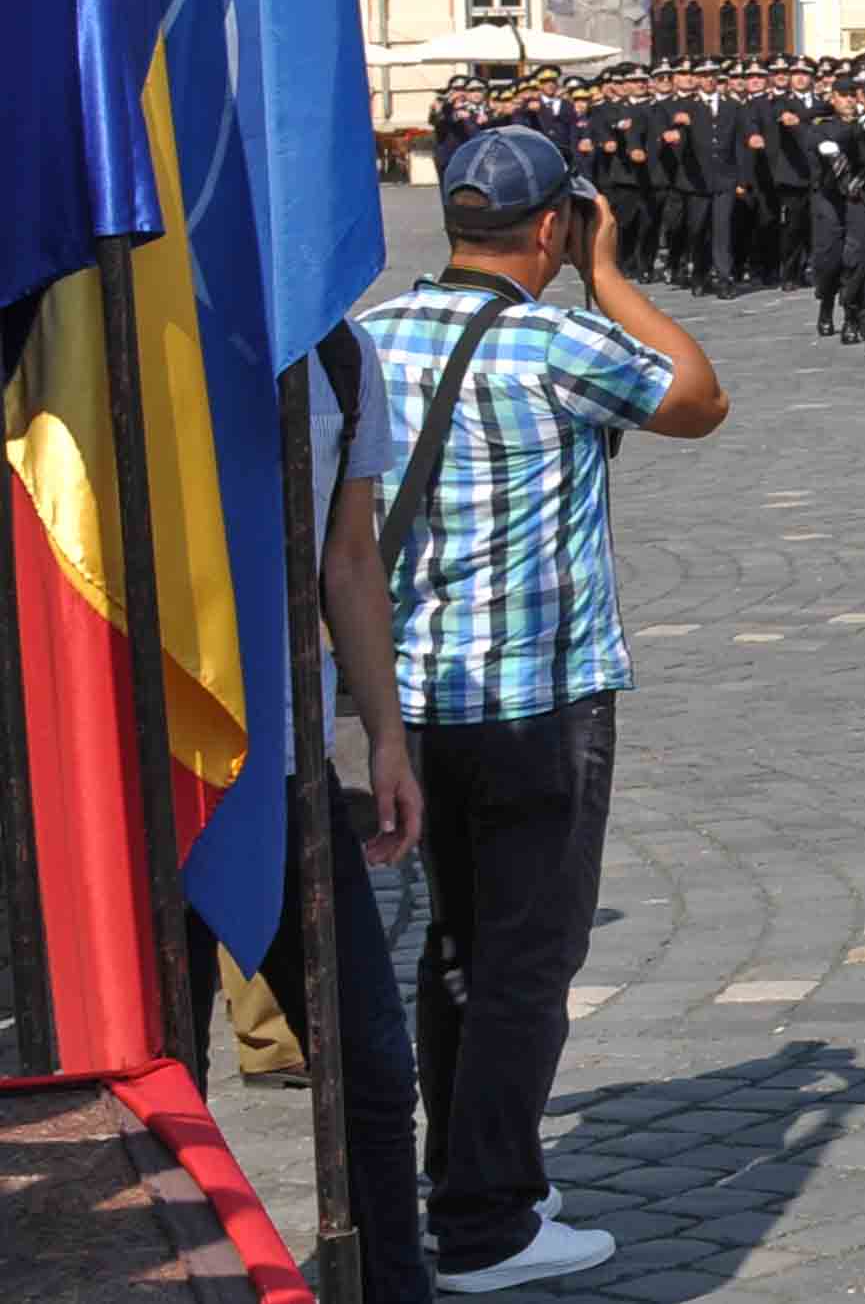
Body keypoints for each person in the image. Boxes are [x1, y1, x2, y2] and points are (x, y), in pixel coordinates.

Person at [353, 128, 728, 1292]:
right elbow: (699, 398)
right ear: (555, 227)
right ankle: (491, 1222)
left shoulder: (370, 336)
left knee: (454, 947)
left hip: (412, 700)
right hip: (536, 699)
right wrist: (613, 276)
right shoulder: (562, 341)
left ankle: (462, 1167)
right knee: (527, 958)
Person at [248, 321, 436, 1304]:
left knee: (370, 1067)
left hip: (289, 770)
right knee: (146, 1081)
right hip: (149, 771)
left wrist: (388, 741)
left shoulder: (338, 350)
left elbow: (351, 557)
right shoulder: (135, 306)